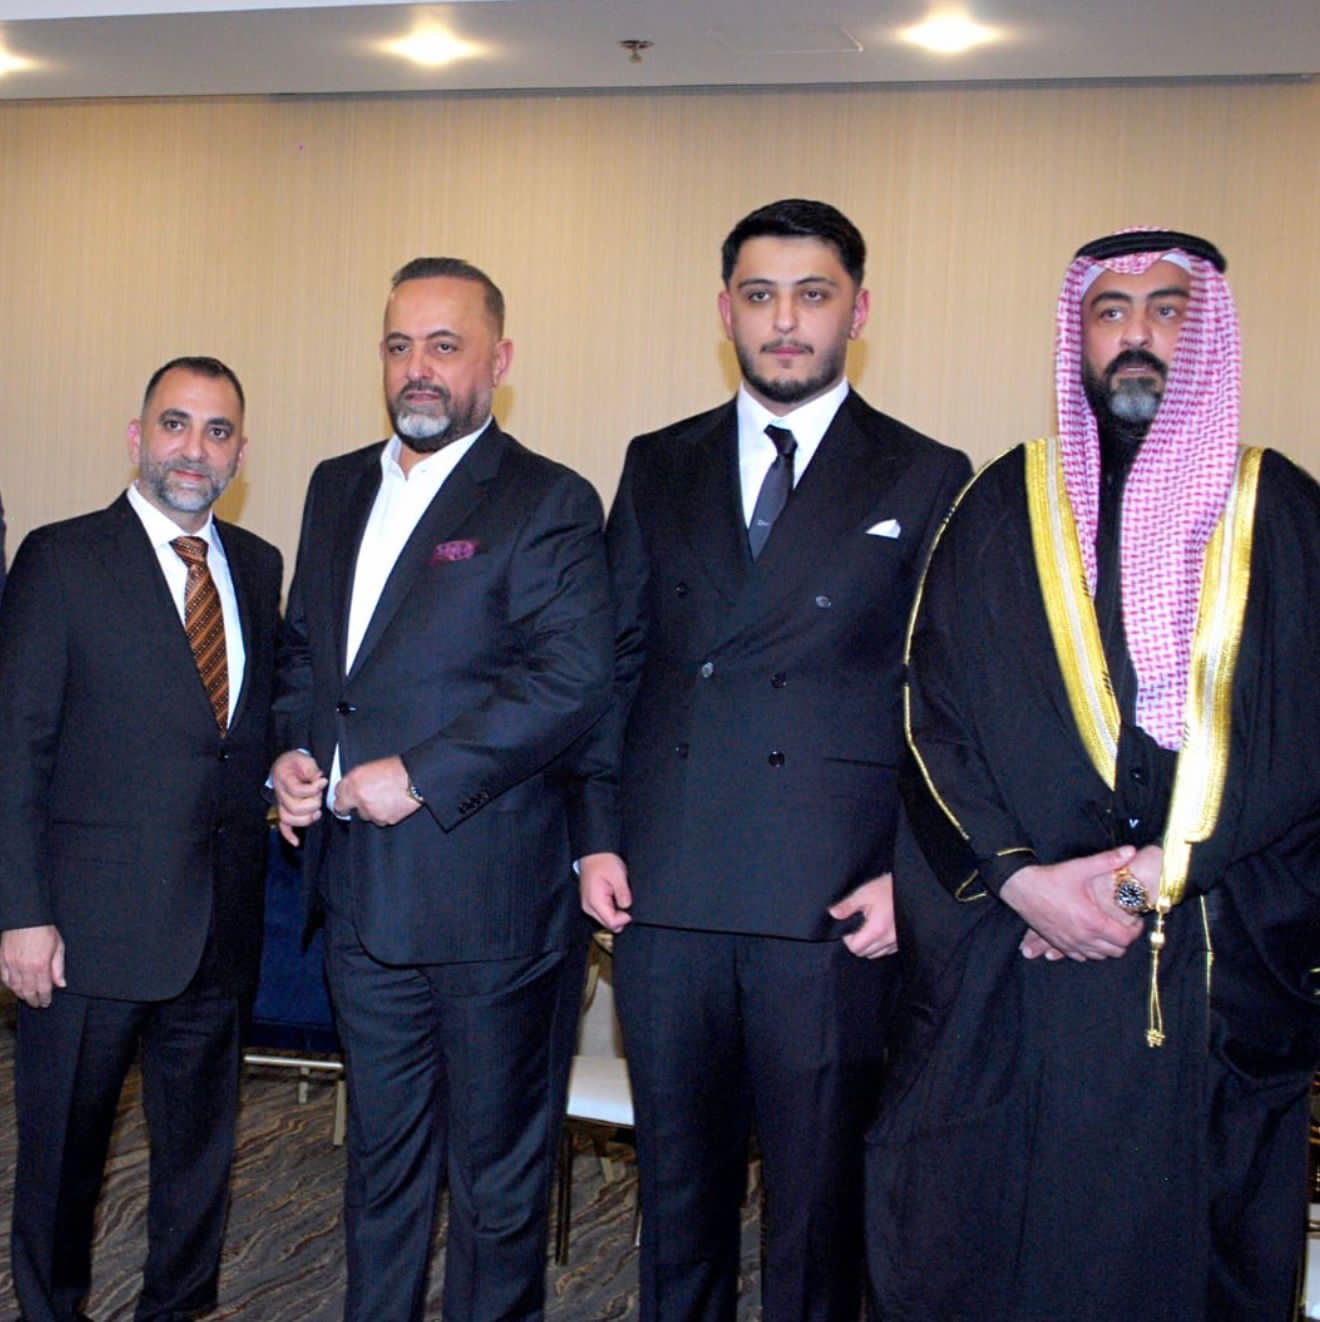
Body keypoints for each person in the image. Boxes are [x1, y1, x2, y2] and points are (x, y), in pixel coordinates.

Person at [867, 228, 1320, 1320]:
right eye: (1110, 312)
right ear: (1079, 336)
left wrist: (1152, 874)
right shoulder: (1003, 505)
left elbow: (1302, 734)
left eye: (1166, 310)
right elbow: (935, 715)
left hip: (1205, 956)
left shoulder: (1282, 513)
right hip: (1024, 957)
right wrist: (1021, 879)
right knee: (989, 1230)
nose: (1136, 335)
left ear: (1207, 334)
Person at [575, 199, 971, 1320]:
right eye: (760, 296)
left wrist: (912, 876)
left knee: (817, 1214)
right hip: (668, 889)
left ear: (859, 309)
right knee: (678, 1203)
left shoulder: (926, 472)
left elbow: (946, 701)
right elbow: (616, 666)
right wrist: (596, 837)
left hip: (832, 900)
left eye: (812, 295)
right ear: (726, 312)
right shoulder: (658, 462)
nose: (785, 321)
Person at [270, 257, 612, 1321]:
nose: (417, 368)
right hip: (361, 901)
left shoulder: (548, 499)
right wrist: (293, 752)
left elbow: (570, 679)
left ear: (498, 361)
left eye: (444, 345)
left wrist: (420, 775)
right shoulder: (335, 485)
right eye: (399, 345)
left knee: (497, 1185)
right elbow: (305, 655)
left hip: (493, 910)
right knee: (379, 1170)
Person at [0, 356, 282, 1322]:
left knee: (201, 1159)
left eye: (217, 431)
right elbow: (15, 747)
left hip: (219, 925)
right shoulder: (61, 559)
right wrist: (21, 914)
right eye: (175, 423)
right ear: (137, 436)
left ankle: (178, 1308)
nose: (193, 449)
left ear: (240, 453)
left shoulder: (259, 565)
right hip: (83, 933)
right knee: (62, 1160)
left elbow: (245, 730)